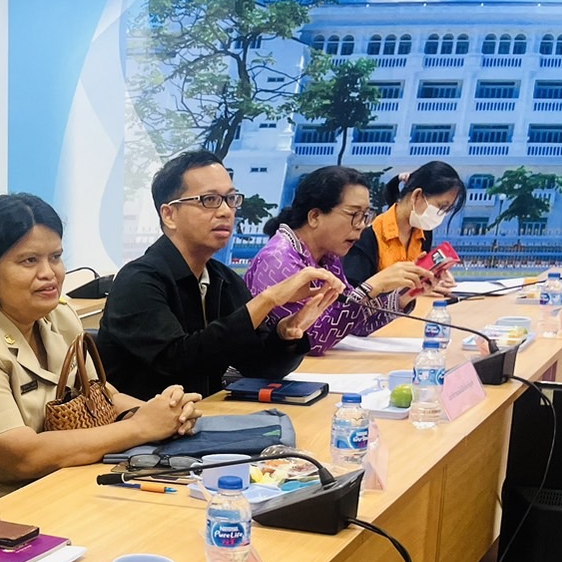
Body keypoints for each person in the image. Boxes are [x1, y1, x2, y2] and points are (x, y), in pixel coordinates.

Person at [0, 193, 202, 503]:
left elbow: (101, 394)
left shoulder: (58, 315)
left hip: (68, 482)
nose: (49, 273)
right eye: (29, 260)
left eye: (55, 257)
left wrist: (160, 414)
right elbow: (23, 456)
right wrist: (141, 428)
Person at [98, 150, 345, 399]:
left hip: (203, 419)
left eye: (230, 199)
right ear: (169, 215)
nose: (226, 211)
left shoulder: (222, 278)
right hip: (141, 430)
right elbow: (179, 361)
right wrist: (268, 299)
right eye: (209, 200)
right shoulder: (138, 281)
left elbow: (257, 366)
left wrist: (286, 334)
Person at [246, 166, 429, 356]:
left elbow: (355, 326)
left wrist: (404, 296)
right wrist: (371, 287)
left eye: (366, 215)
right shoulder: (277, 259)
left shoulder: (328, 257)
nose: (361, 226)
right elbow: (311, 341)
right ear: (315, 216)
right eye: (354, 214)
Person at [344, 161, 466, 296]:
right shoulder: (367, 236)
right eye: (441, 206)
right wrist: (406, 290)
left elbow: (416, 280)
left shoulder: (424, 233)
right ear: (417, 195)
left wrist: (431, 280)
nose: (441, 215)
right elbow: (354, 298)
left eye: (447, 210)